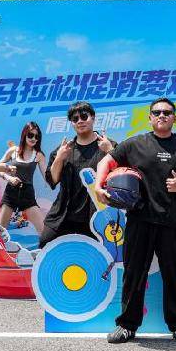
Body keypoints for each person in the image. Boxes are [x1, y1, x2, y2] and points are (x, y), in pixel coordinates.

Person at [95, 98, 176, 345]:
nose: (162, 115)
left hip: (172, 223)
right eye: (157, 112)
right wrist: (98, 186)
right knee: (134, 274)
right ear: (150, 117)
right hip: (139, 221)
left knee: (174, 276)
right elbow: (106, 161)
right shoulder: (135, 144)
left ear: (174, 118)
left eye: (167, 112)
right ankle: (127, 325)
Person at [39, 101, 114, 248]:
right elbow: (52, 180)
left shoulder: (107, 145)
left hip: (96, 215)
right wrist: (59, 158)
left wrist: (110, 151)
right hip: (64, 214)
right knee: (45, 244)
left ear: (93, 118)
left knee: (98, 255)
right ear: (72, 123)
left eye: (84, 116)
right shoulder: (63, 149)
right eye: (75, 119)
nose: (80, 121)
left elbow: (122, 174)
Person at [0, 122, 47, 233]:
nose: (33, 139)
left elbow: (47, 177)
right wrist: (8, 178)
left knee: (44, 231)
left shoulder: (38, 155)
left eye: (37, 136)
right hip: (10, 193)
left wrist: (59, 160)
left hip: (27, 194)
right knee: (0, 231)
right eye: (30, 135)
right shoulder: (13, 150)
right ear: (24, 135)